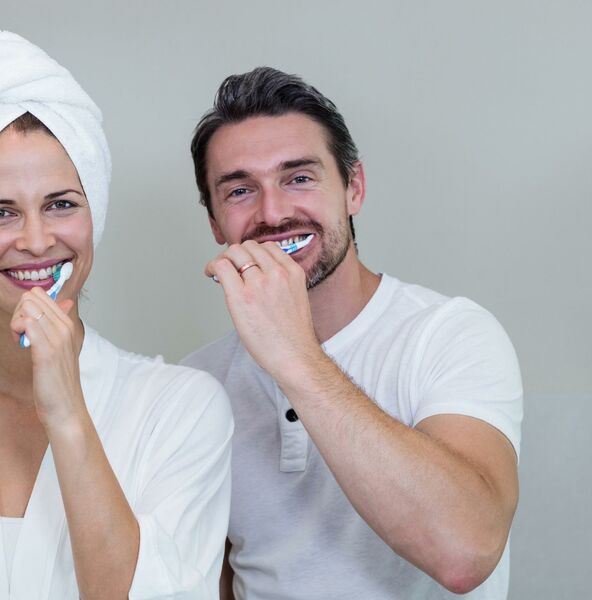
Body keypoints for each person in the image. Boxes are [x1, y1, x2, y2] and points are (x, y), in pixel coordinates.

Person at [182, 67, 523, 600]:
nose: (274, 212)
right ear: (215, 223)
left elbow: (466, 552)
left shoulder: (450, 335)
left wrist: (294, 356)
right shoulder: (197, 383)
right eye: (241, 190)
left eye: (299, 178)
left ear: (353, 188)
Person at [0, 31, 232, 599]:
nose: (36, 240)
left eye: (61, 204)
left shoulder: (178, 410)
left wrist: (67, 412)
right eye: (2, 213)